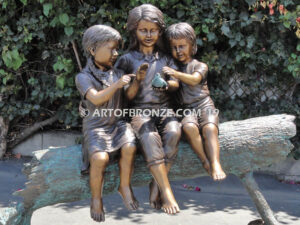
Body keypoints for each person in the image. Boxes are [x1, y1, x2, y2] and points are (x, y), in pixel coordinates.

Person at [115, 4, 181, 214]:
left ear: (160, 31)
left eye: (153, 30)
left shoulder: (166, 58)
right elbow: (126, 96)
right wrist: (138, 81)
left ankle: (157, 184)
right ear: (134, 30)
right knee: (150, 137)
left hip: (164, 109)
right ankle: (167, 192)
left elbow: (176, 84)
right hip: (139, 111)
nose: (149, 34)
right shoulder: (126, 60)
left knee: (174, 132)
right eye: (143, 30)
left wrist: (166, 84)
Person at [75, 24, 139, 222]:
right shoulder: (83, 77)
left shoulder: (117, 73)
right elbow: (95, 99)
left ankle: (125, 186)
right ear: (93, 50)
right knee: (100, 159)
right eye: (111, 48)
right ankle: (96, 198)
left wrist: (136, 82)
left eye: (116, 48)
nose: (115, 53)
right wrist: (117, 85)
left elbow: (128, 96)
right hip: (96, 127)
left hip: (117, 124)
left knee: (130, 145)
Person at [163, 22, 226, 181]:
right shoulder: (172, 67)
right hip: (186, 109)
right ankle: (205, 161)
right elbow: (173, 86)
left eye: (182, 46)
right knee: (189, 127)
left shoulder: (200, 65)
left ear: (192, 45)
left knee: (210, 129)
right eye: (174, 47)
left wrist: (175, 74)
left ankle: (215, 163)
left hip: (204, 105)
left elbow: (194, 80)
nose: (178, 51)